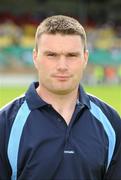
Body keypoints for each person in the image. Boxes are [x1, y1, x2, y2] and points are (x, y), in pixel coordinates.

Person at [0, 15, 121, 180]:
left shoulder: (111, 121)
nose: (62, 66)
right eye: (51, 55)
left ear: (85, 58)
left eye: (71, 55)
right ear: (35, 57)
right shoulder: (6, 123)